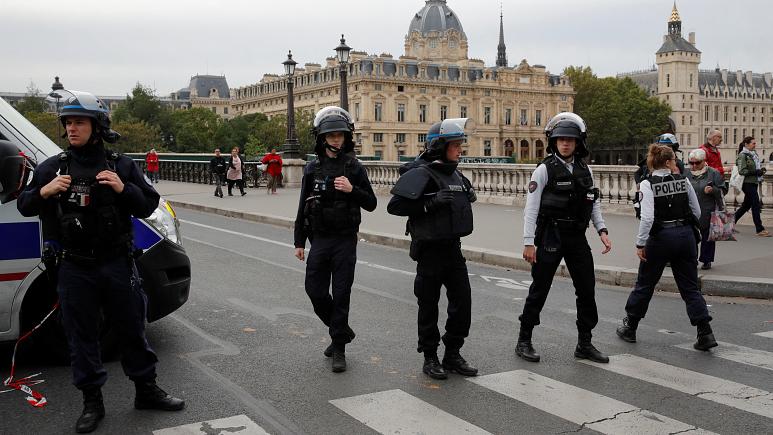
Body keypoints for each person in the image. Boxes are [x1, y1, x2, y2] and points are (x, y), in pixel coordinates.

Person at [16, 90, 184, 433]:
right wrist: (45, 191)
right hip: (74, 267)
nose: (72, 128)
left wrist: (123, 189)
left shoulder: (121, 165)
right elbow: (24, 205)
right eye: (68, 123)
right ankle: (92, 402)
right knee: (81, 336)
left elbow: (148, 204)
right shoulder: (53, 167)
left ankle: (146, 390)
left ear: (98, 126)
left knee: (132, 328)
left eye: (79, 122)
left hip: (117, 263)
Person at [387, 118, 479, 380]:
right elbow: (395, 206)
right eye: (455, 145)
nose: (460, 149)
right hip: (429, 251)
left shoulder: (456, 174)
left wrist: (467, 194)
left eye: (460, 144)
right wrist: (429, 204)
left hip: (453, 249)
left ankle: (452, 354)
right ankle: (430, 357)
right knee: (428, 306)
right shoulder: (421, 173)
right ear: (439, 146)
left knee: (462, 303)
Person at [517, 112, 612, 364]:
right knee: (539, 288)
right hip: (551, 234)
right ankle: (524, 340)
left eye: (570, 140)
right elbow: (531, 208)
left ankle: (585, 343)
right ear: (554, 142)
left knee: (587, 289)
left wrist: (602, 230)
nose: (566, 143)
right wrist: (528, 242)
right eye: (561, 139)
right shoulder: (543, 170)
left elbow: (593, 202)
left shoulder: (585, 169)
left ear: (578, 143)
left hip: (576, 236)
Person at [293, 106, 376, 373]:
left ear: (346, 137)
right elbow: (302, 206)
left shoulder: (354, 167)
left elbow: (372, 203)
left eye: (340, 135)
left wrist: (352, 190)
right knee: (315, 291)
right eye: (331, 135)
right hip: (319, 239)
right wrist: (299, 242)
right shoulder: (312, 168)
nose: (336, 140)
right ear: (322, 138)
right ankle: (342, 331)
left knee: (341, 294)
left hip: (345, 240)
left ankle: (339, 348)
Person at [616, 144, 717, 351]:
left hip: (661, 237)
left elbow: (647, 218)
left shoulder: (647, 184)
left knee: (645, 283)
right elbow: (696, 211)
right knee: (690, 286)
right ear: (669, 161)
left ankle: (630, 326)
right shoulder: (683, 180)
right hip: (685, 236)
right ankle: (705, 332)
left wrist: (640, 243)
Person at [685, 149, 727, 270]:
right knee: (690, 236)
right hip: (690, 211)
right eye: (691, 163)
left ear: (704, 161)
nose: (694, 166)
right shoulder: (686, 173)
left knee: (707, 236)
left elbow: (723, 190)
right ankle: (692, 259)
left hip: (708, 210)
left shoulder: (713, 173)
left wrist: (713, 190)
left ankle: (706, 260)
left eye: (697, 163)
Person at [633, 134, 684, 218]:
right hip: (650, 198)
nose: (664, 149)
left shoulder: (677, 164)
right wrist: (639, 184)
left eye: (667, 147)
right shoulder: (650, 161)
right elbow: (637, 173)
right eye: (661, 146)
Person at [734, 136, 769, 237]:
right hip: (747, 183)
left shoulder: (753, 154)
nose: (755, 145)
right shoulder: (742, 155)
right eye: (753, 143)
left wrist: (760, 171)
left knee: (746, 205)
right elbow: (742, 171)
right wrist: (755, 172)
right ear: (746, 144)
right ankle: (759, 229)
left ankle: (729, 224)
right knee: (755, 204)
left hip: (753, 182)